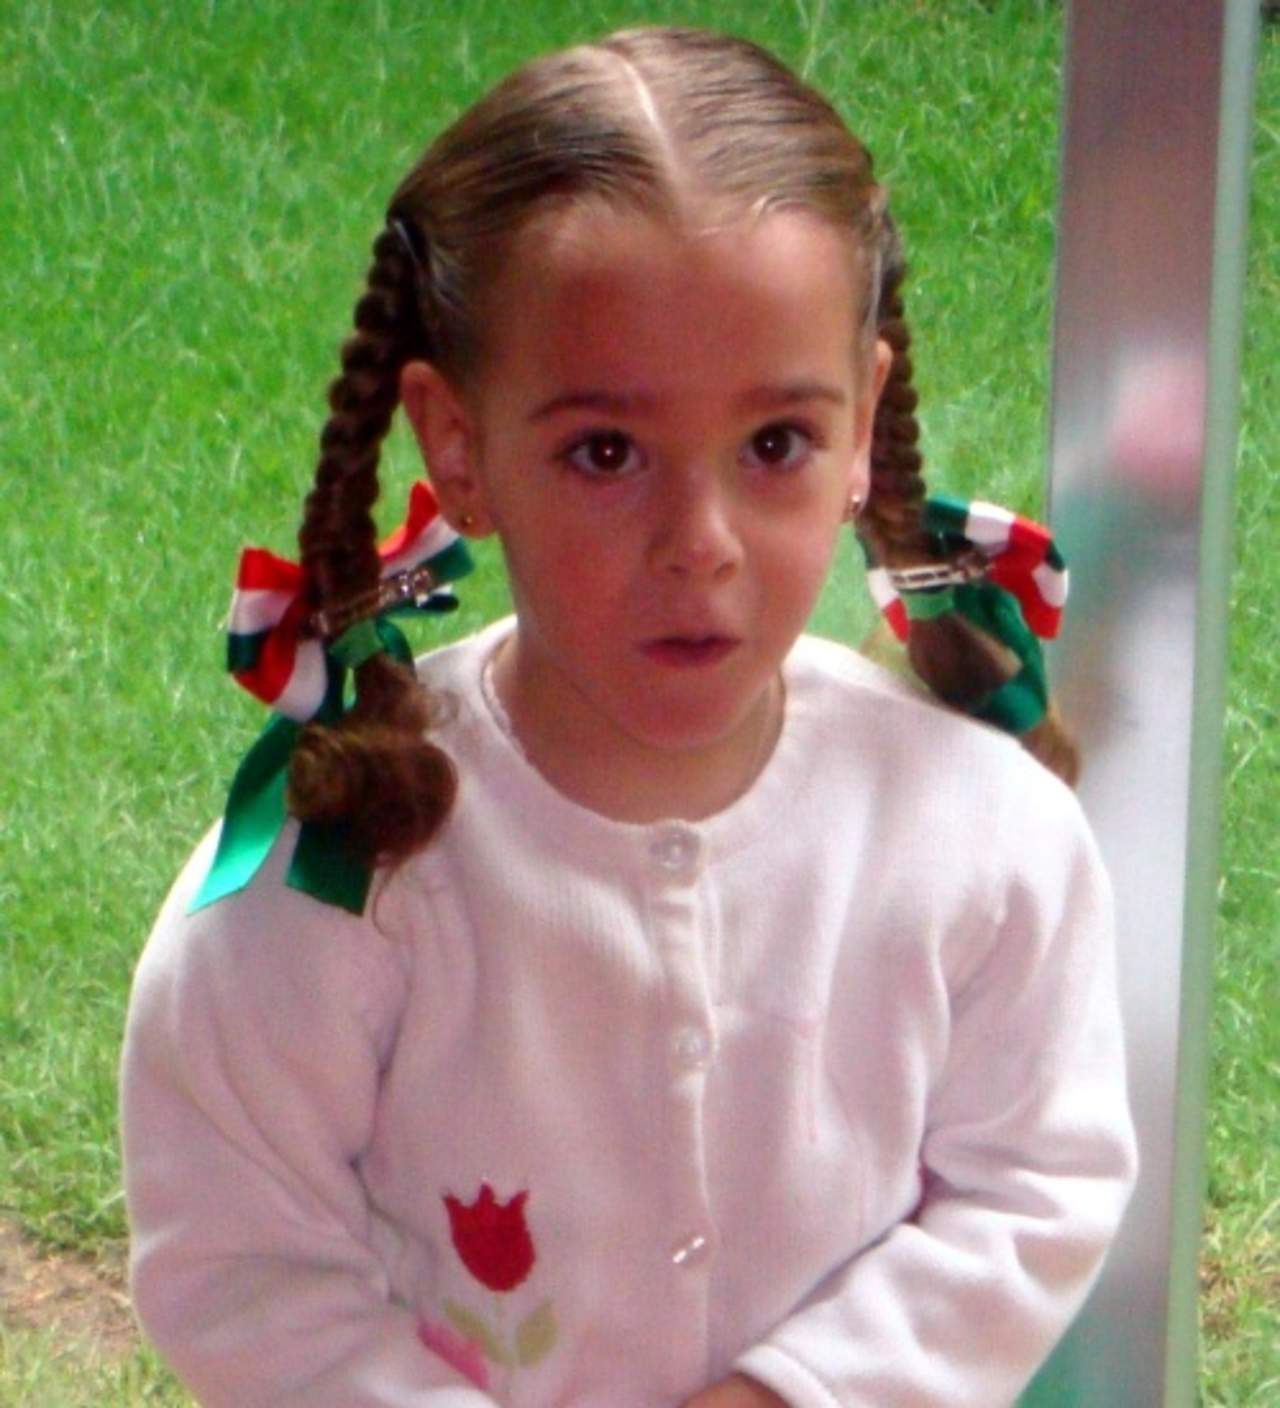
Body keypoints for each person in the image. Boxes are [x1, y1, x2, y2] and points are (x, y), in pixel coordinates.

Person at [120, 25, 1136, 1408]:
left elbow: (1036, 1182)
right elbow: (239, 1258)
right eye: (606, 453)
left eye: (774, 444)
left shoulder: (977, 833)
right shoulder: (338, 871)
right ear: (459, 447)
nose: (698, 543)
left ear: (861, 427)